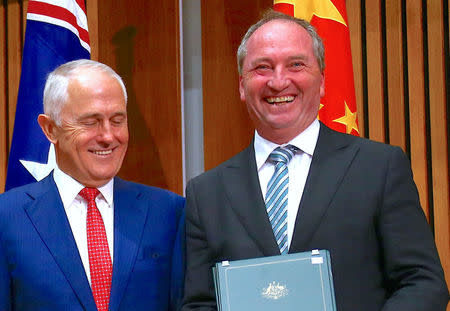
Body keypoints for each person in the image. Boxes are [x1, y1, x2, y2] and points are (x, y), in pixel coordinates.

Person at [182, 10, 449, 311]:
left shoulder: (378, 168)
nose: (279, 81)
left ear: (322, 81)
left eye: (296, 65)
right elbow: (199, 303)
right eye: (262, 68)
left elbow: (423, 283)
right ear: (242, 86)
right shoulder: (206, 193)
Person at [0, 59, 184, 311]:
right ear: (50, 128)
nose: (108, 136)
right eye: (91, 122)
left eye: (117, 120)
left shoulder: (169, 212)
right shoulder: (7, 218)